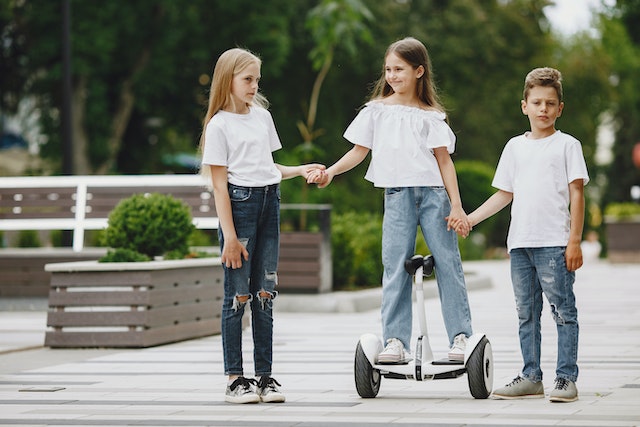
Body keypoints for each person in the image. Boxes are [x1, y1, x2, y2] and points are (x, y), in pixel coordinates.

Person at [308, 37, 474, 364]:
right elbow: (359, 152)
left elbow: (444, 162)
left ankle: (460, 337)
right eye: (388, 69)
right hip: (396, 196)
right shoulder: (376, 112)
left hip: (433, 196)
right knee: (395, 266)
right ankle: (396, 340)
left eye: (399, 69)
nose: (393, 76)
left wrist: (457, 205)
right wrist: (331, 172)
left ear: (419, 71)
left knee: (447, 264)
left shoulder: (432, 115)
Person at [199, 47, 324, 404]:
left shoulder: (262, 117)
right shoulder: (219, 125)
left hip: (271, 201)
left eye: (257, 79)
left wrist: (299, 169)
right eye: (247, 79)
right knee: (237, 296)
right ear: (228, 80)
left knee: (265, 294)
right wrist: (231, 239)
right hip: (239, 208)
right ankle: (236, 379)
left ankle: (265, 377)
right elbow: (220, 184)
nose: (254, 86)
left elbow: (267, 167)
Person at [458, 67, 589, 402]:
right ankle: (531, 376)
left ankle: (565, 378)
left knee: (562, 310)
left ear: (560, 108)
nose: (543, 109)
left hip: (554, 245)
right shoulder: (514, 147)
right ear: (524, 106)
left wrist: (574, 241)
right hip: (520, 246)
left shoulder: (567, 145)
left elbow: (577, 194)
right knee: (526, 313)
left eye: (550, 103)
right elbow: (505, 194)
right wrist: (470, 219)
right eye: (536, 102)